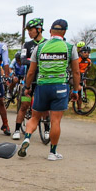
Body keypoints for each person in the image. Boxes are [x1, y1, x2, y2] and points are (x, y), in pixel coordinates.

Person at [17, 19, 80, 161]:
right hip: (60, 86)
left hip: (42, 86)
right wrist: (75, 91)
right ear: (64, 32)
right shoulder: (70, 47)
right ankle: (52, 152)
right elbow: (76, 72)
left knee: (35, 117)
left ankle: (27, 137)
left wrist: (27, 88)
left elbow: (31, 71)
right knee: (55, 121)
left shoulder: (40, 47)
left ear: (50, 32)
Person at [13, 18, 46, 140]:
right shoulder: (26, 45)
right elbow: (22, 60)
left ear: (38, 29)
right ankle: (17, 129)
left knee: (44, 107)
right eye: (27, 30)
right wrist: (39, 61)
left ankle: (47, 130)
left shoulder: (47, 43)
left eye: (31, 30)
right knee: (24, 105)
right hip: (30, 80)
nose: (29, 33)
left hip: (43, 80)